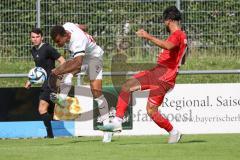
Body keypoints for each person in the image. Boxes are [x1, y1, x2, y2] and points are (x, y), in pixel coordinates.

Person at [98, 6, 187, 144]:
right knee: (127, 86)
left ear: (169, 20)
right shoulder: (182, 36)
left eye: (164, 21)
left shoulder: (177, 34)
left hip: (164, 77)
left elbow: (169, 46)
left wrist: (147, 36)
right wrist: (166, 57)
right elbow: (181, 57)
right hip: (158, 72)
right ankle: (117, 121)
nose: (164, 24)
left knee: (151, 111)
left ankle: (174, 132)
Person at [50, 22, 112, 143]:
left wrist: (57, 71)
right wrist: (84, 30)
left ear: (66, 35)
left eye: (58, 41)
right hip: (83, 57)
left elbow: (77, 63)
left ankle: (108, 130)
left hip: (94, 58)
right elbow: (83, 26)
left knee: (96, 93)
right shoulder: (67, 26)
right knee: (66, 74)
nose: (57, 44)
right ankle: (62, 99)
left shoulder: (77, 40)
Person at [24, 28, 65, 138]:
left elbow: (62, 60)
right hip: (44, 82)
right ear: (30, 38)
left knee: (42, 109)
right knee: (47, 109)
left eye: (37, 37)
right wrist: (30, 80)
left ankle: (50, 135)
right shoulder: (33, 50)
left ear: (42, 37)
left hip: (51, 81)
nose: (35, 39)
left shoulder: (48, 48)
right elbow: (39, 68)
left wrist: (59, 72)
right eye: (33, 37)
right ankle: (58, 99)